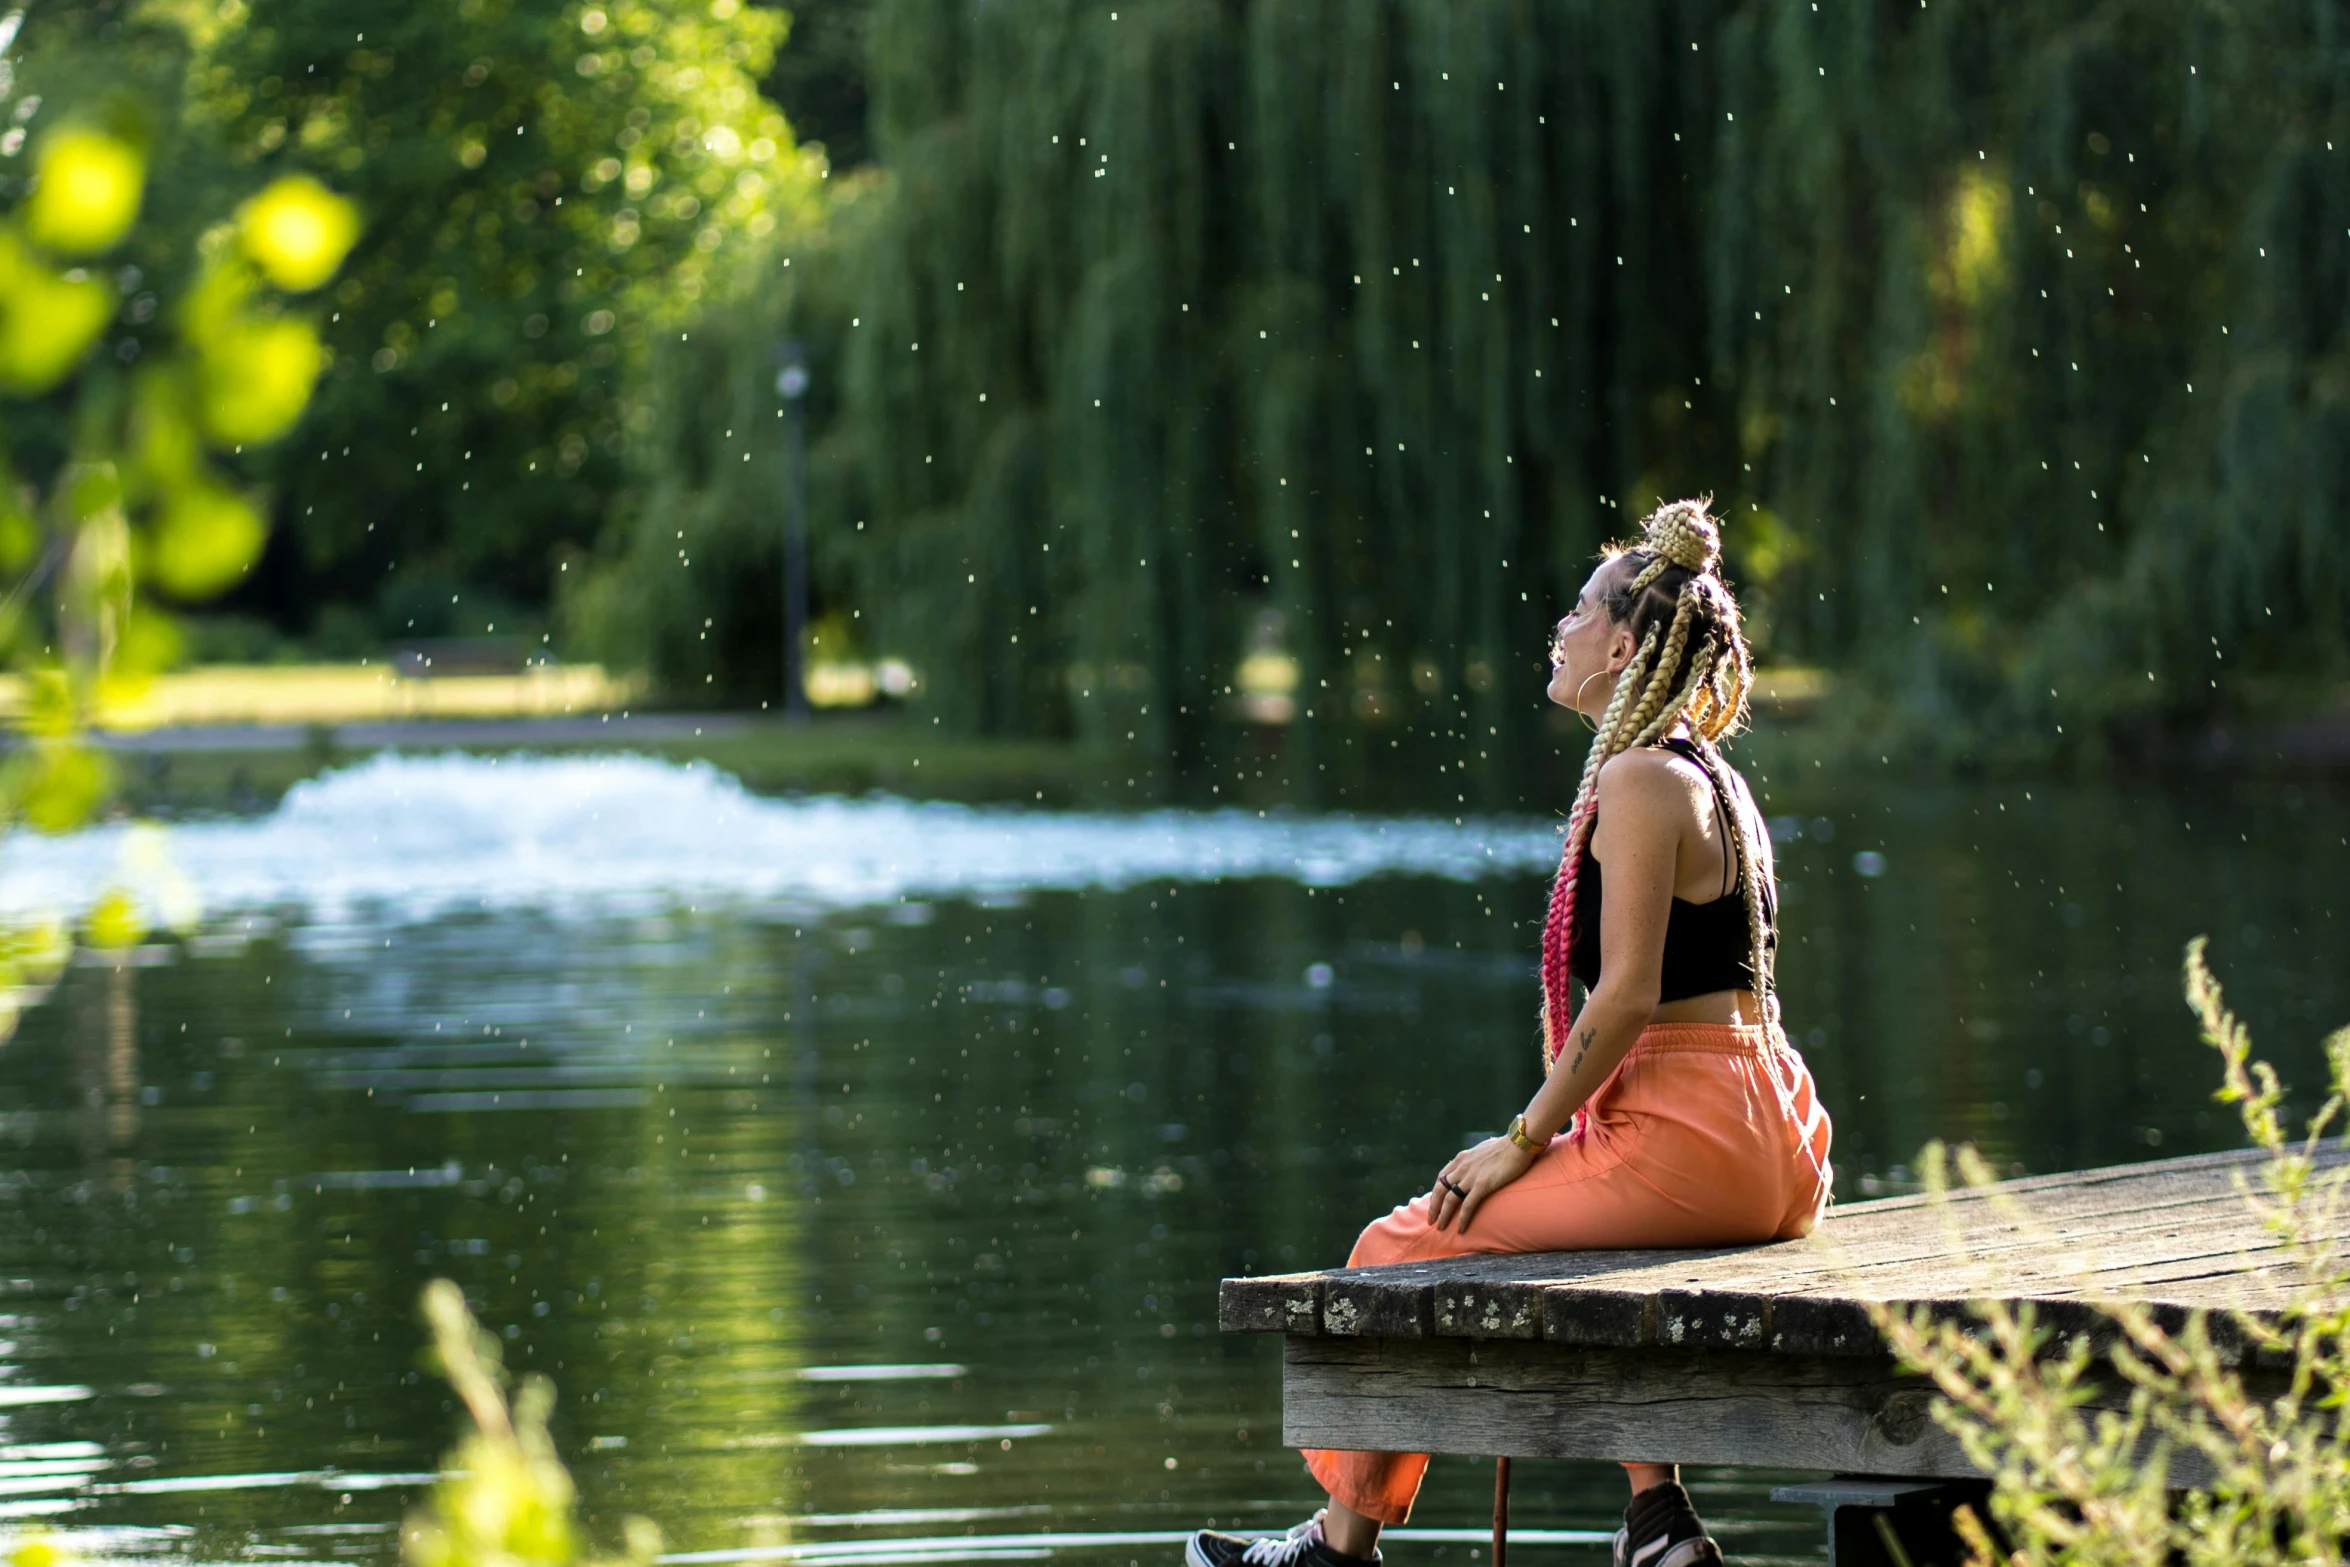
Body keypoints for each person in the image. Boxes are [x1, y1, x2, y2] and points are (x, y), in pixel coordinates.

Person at [1187, 499, 1834, 1567]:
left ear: (1623, 645)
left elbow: (1622, 997)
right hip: (1774, 1138)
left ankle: (1337, 1551)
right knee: (1594, 1260)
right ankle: (1657, 1522)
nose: (1561, 629)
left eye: (1577, 614)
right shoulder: (1712, 777)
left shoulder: (1636, 781)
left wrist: (1523, 1137)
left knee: (1396, 1252)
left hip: (1693, 1136)